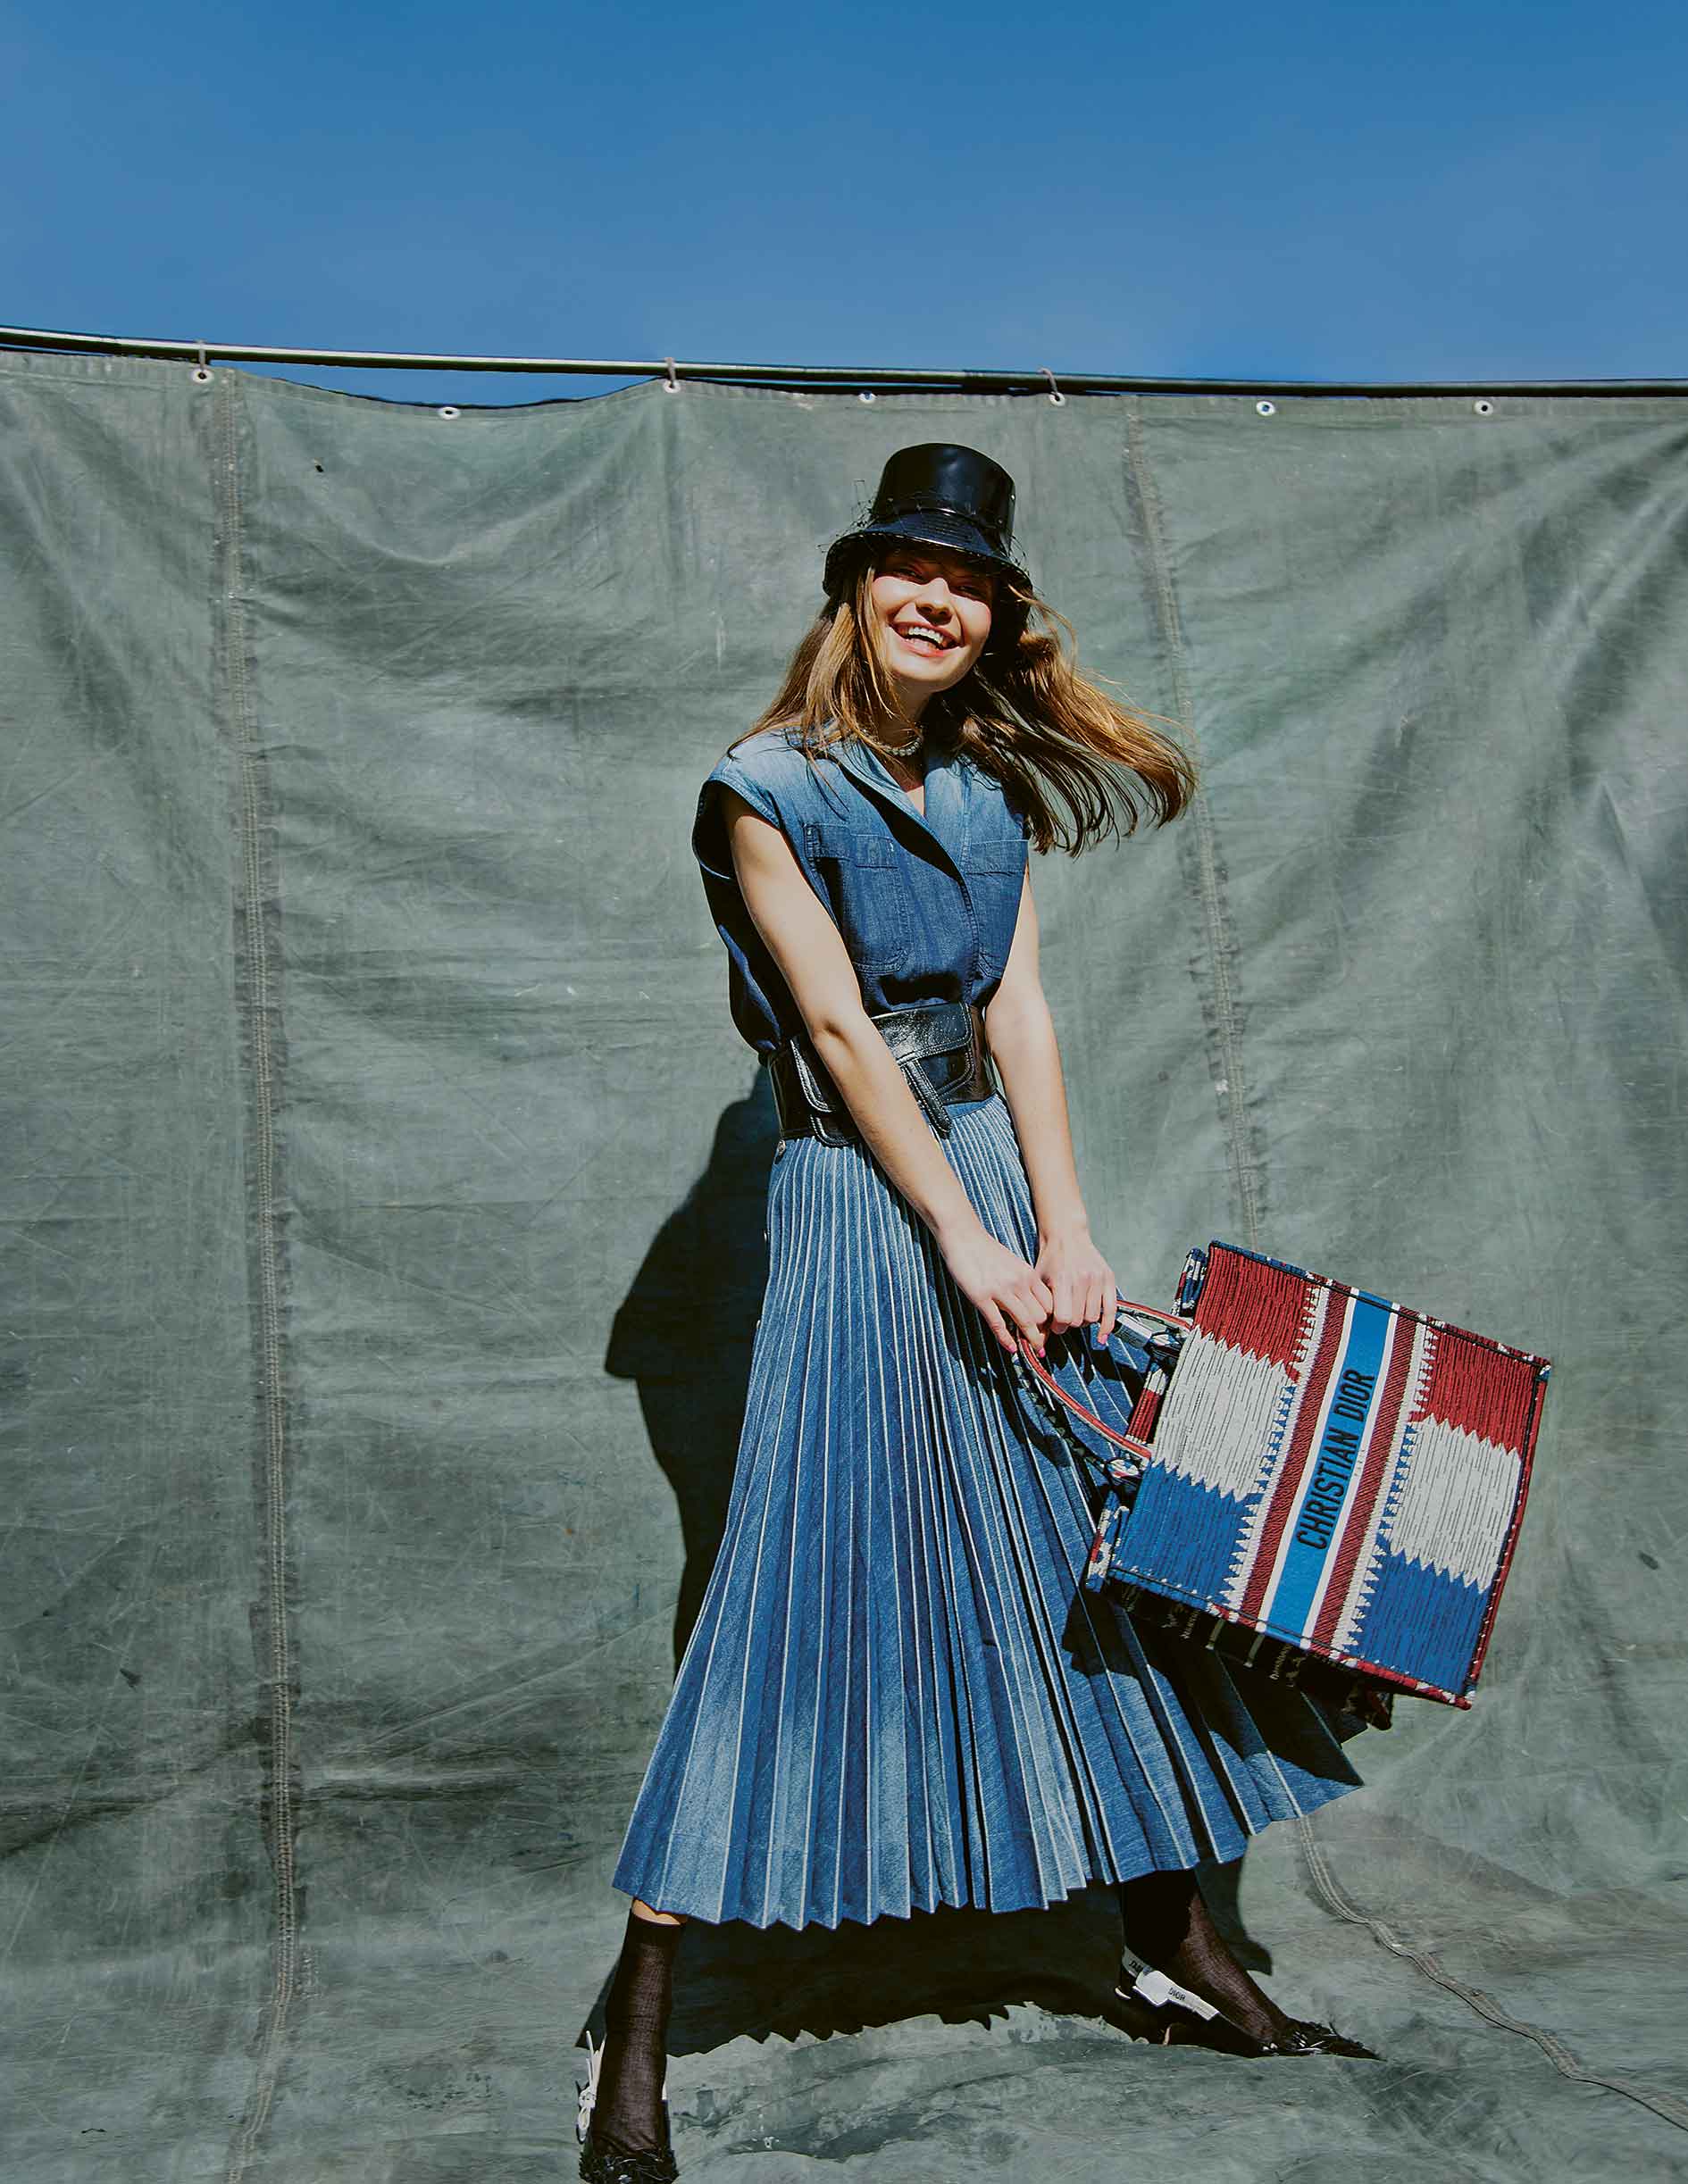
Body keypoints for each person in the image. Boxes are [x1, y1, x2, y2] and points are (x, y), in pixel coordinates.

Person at [577, 443, 1375, 2184]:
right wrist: (958, 1236)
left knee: (1086, 1546)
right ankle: (632, 2035)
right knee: (797, 1579)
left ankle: (1174, 1939)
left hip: (994, 1196)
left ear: (998, 616)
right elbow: (839, 1034)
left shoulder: (986, 793)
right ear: (855, 589)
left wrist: (1063, 1231)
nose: (937, 599)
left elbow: (1015, 1016)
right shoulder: (761, 786)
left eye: (970, 580)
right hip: (863, 1202)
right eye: (909, 570)